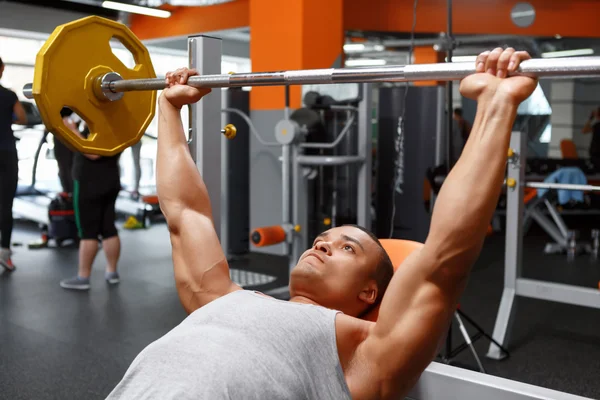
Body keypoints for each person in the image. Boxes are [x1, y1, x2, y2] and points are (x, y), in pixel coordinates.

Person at [106, 48, 537, 400]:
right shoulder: (217, 296)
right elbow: (185, 213)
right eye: (322, 239)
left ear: (370, 292)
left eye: (348, 247)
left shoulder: (363, 352)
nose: (322, 244)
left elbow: (445, 258)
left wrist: (496, 106)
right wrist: (167, 107)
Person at [59, 116, 122, 290]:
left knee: (88, 232)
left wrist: (72, 130)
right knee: (109, 228)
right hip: (111, 180)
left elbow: (93, 153)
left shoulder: (101, 124)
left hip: (89, 184)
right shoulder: (119, 124)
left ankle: (83, 277)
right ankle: (112, 272)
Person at [0, 56, 27, 272]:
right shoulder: (9, 95)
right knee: (6, 205)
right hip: (7, 153)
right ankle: (5, 253)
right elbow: (22, 118)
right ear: (1, 70)